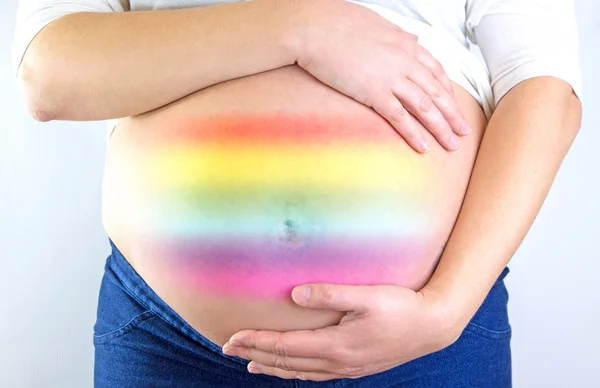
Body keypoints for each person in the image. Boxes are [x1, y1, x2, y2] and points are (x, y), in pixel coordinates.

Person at [12, 0, 582, 387]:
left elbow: (545, 86)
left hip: (426, 337)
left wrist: (445, 310)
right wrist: (299, 29)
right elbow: (49, 71)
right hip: (171, 340)